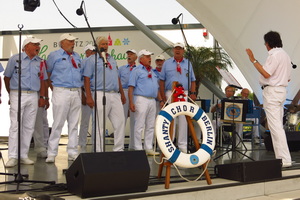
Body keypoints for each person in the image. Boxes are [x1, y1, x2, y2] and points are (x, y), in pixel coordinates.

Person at [246, 30, 292, 167]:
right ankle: (283, 158)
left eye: (265, 43)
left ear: (268, 43)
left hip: (272, 92)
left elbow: (266, 73)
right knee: (277, 126)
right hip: (281, 91)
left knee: (275, 127)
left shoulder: (274, 55)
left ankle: (284, 159)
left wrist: (253, 59)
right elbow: (288, 77)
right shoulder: (286, 56)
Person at [4, 37, 48, 167]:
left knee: (29, 126)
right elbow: (7, 77)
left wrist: (43, 97)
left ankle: (23, 155)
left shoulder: (40, 62)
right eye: (35, 44)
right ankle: (12, 156)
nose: (38, 47)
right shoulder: (15, 59)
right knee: (15, 125)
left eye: (38, 45)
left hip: (33, 95)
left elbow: (43, 80)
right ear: (26, 46)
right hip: (18, 93)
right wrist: (11, 93)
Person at [83, 36, 126, 152]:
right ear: (97, 46)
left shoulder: (111, 59)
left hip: (115, 94)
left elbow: (116, 77)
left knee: (120, 122)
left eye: (106, 44)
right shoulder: (92, 60)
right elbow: (86, 78)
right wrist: (89, 96)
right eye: (102, 44)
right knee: (99, 124)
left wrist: (122, 93)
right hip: (99, 93)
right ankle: (98, 151)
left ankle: (119, 149)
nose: (105, 46)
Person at [46, 33, 82, 163]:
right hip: (61, 90)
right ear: (62, 42)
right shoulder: (54, 55)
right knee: (58, 123)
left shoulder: (77, 56)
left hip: (75, 91)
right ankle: (51, 152)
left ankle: (72, 151)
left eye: (74, 41)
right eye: (71, 41)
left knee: (73, 124)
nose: (73, 43)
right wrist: (54, 89)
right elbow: (47, 74)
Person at [159, 42, 197, 153]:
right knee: (170, 119)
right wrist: (163, 96)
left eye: (180, 49)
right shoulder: (167, 63)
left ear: (183, 51)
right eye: (176, 48)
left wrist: (193, 93)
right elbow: (162, 80)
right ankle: (169, 146)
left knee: (183, 120)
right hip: (170, 92)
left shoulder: (188, 63)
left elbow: (193, 80)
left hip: (184, 93)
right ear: (173, 50)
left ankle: (183, 147)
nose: (178, 50)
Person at [128, 49, 164, 155]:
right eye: (147, 57)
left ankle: (148, 147)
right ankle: (138, 147)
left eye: (150, 56)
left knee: (150, 124)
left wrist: (161, 99)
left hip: (152, 100)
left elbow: (156, 88)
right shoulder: (136, 70)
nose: (150, 59)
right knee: (139, 124)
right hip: (141, 98)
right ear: (141, 58)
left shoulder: (152, 71)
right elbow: (131, 87)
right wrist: (131, 102)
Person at [78, 44, 96, 152]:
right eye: (91, 51)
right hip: (86, 92)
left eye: (94, 51)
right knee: (85, 120)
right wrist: (83, 95)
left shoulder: (98, 62)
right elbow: (80, 79)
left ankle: (95, 142)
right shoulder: (83, 62)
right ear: (86, 52)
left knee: (96, 120)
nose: (93, 53)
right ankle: (82, 143)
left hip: (97, 92)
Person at [118, 49, 137, 150]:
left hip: (135, 93)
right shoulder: (121, 69)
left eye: (131, 54)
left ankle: (133, 145)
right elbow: (118, 82)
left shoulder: (138, 69)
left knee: (135, 120)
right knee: (122, 120)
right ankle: (119, 145)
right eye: (128, 54)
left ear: (136, 57)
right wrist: (121, 94)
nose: (129, 56)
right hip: (124, 92)